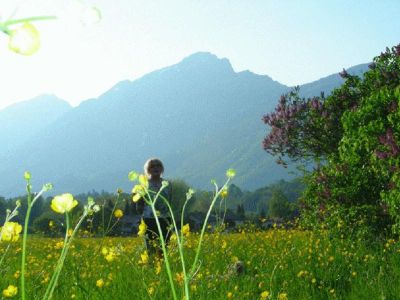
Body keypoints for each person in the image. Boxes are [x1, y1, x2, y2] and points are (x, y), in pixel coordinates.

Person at [136, 158, 172, 256]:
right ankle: (151, 266)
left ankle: (162, 268)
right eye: (152, 166)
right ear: (148, 170)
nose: (155, 168)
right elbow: (139, 204)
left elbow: (169, 201)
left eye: (158, 165)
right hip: (149, 219)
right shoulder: (144, 184)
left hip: (165, 219)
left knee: (164, 248)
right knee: (150, 248)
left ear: (162, 169)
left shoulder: (168, 184)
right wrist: (142, 217)